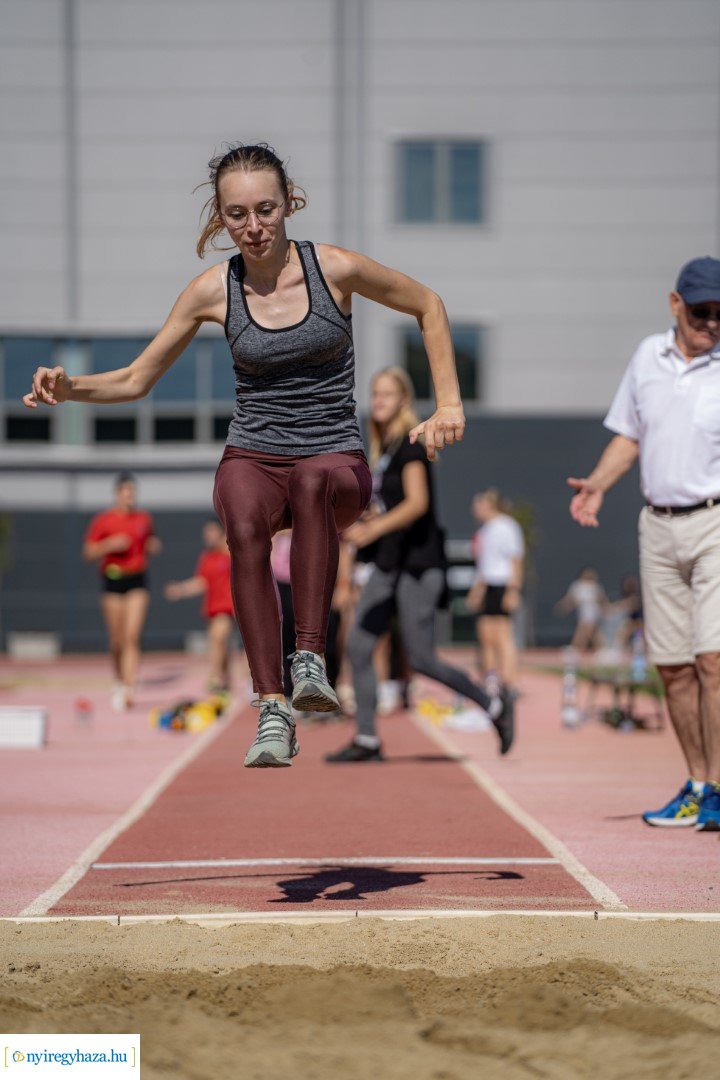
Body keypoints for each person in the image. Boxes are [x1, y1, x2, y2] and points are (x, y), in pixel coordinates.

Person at [24, 142, 466, 770]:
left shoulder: (334, 269)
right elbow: (134, 379)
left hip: (334, 456)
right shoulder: (214, 289)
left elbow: (429, 305)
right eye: (238, 215)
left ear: (289, 205)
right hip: (255, 453)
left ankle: (309, 657)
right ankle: (272, 705)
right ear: (221, 218)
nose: (254, 227)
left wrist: (447, 404)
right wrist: (70, 389)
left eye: (266, 210)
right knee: (238, 509)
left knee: (314, 482)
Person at [568, 256, 720, 830]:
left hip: (714, 522)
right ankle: (700, 783)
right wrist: (597, 486)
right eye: (701, 310)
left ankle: (719, 791)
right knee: (674, 668)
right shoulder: (646, 358)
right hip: (656, 526)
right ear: (675, 304)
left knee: (713, 659)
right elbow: (630, 436)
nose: (711, 322)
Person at [327, 366, 513, 762]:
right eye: (375, 393)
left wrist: (373, 530)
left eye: (387, 394)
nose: (378, 400)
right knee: (359, 647)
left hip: (417, 566)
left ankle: (493, 704)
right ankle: (367, 740)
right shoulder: (385, 451)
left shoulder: (411, 447)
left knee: (422, 658)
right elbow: (386, 508)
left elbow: (417, 504)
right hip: (387, 566)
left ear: (405, 402)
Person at [83, 472, 161, 711]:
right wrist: (110, 544)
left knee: (132, 636)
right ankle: (118, 679)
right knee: (117, 640)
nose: (130, 496)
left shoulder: (143, 518)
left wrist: (153, 546)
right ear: (117, 494)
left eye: (133, 492)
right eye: (126, 492)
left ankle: (129, 686)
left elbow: (150, 542)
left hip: (137, 580)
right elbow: (88, 553)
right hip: (113, 581)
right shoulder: (103, 520)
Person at [164, 518, 236, 693]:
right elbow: (201, 581)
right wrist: (180, 589)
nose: (209, 536)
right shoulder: (207, 557)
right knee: (221, 645)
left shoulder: (230, 554)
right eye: (206, 533)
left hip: (227, 607)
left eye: (212, 531)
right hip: (211, 607)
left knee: (217, 639)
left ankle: (215, 677)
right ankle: (225, 679)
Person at [466, 488, 524, 699]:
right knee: (485, 635)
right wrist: (476, 591)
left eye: (478, 504)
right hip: (487, 584)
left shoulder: (507, 526)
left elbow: (515, 559)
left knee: (502, 635)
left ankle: (511, 681)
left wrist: (513, 591)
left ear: (489, 505)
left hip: (502, 583)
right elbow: (483, 566)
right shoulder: (483, 532)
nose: (474, 509)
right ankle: (491, 679)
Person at [554, 567, 607, 653]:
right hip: (583, 611)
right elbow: (570, 599)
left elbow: (601, 600)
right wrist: (563, 606)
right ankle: (600, 649)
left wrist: (604, 610)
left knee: (586, 631)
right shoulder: (577, 585)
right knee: (590, 632)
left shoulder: (595, 586)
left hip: (593, 611)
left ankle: (576, 648)